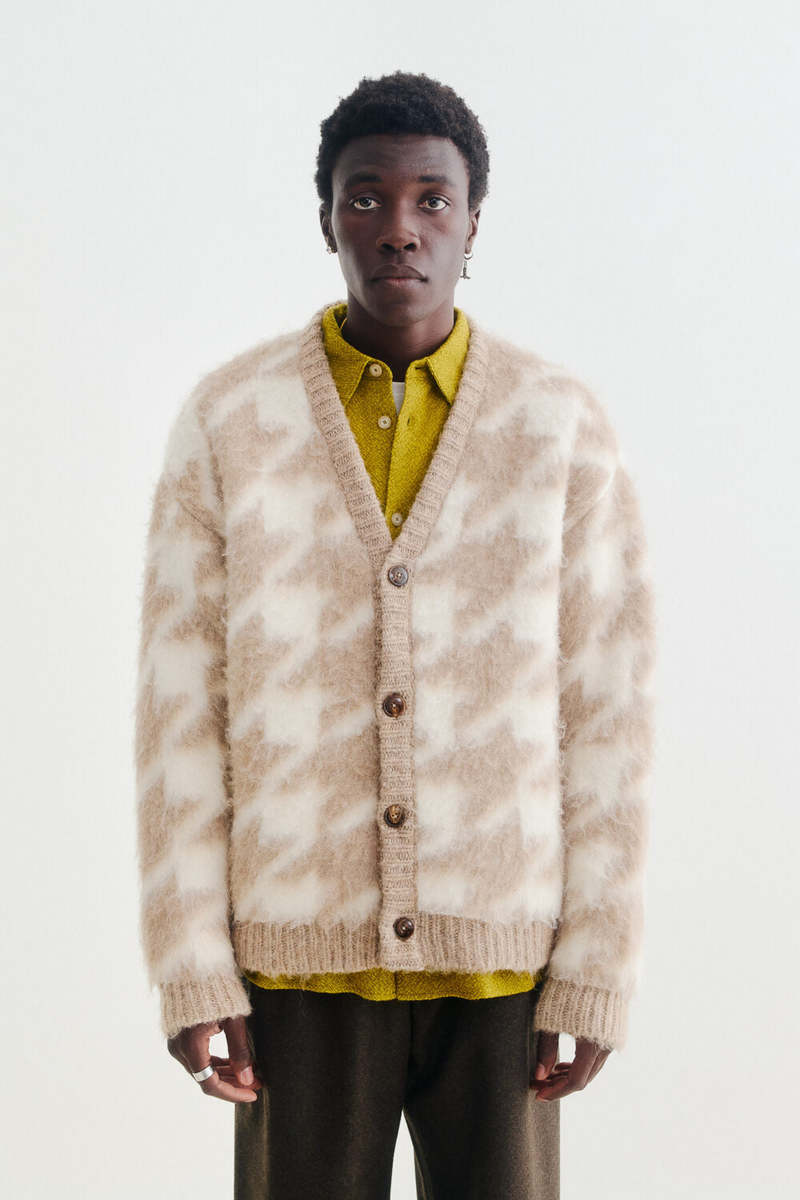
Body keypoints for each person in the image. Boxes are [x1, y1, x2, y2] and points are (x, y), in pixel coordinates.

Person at [134, 70, 656, 1199]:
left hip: (503, 972)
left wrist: (596, 966)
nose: (399, 227)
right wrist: (191, 965)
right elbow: (180, 713)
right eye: (365, 198)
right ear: (326, 219)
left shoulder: (558, 428)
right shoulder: (230, 422)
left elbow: (608, 712)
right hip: (295, 967)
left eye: (432, 199)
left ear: (474, 222)